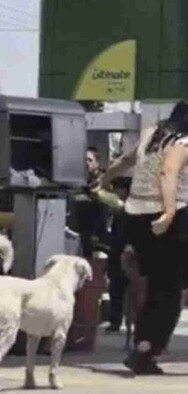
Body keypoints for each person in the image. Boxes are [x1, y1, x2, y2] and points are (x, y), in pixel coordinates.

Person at [97, 100, 188, 374]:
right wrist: (170, 211)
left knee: (160, 286)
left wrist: (103, 179)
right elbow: (168, 172)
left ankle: (144, 347)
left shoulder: (151, 135)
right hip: (170, 218)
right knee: (170, 289)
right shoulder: (183, 141)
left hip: (136, 218)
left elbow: (125, 161)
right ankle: (147, 348)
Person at [104, 177, 132, 333]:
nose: (115, 192)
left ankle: (121, 322)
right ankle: (116, 321)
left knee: (122, 289)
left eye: (117, 189)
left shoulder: (130, 208)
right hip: (117, 253)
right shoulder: (120, 207)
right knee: (116, 289)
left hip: (127, 252)